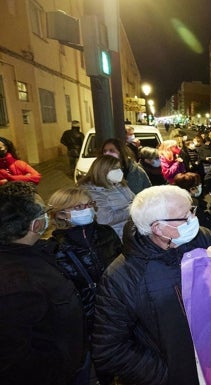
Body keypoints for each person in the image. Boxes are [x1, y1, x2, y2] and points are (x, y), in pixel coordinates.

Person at [91, 185, 211, 385]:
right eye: (185, 217)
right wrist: (167, 375)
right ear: (157, 227)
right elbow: (109, 349)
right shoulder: (121, 278)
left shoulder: (203, 238)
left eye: (192, 210)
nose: (193, 219)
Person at [0, 182, 86, 384]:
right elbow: (14, 358)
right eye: (45, 212)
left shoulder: (30, 254)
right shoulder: (16, 285)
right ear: (36, 225)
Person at [46, 187, 122, 384]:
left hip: (116, 312)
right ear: (61, 213)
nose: (86, 209)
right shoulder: (54, 248)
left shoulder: (106, 233)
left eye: (89, 205)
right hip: (85, 321)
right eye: (79, 206)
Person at [78, 155, 135, 239]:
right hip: (115, 238)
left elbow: (134, 199)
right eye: (114, 168)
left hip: (129, 233)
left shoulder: (118, 183)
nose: (119, 171)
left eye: (119, 167)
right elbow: (105, 219)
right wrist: (133, 210)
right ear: (102, 170)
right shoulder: (92, 191)